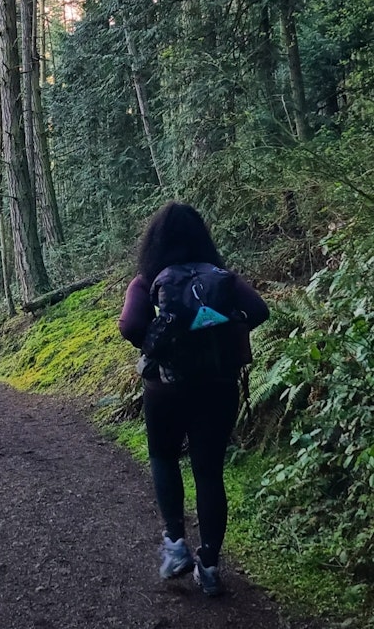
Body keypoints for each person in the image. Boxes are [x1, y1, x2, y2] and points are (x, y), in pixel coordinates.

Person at [118, 201, 269, 596]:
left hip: (165, 389)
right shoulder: (222, 278)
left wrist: (158, 341)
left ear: (155, 241)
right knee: (209, 471)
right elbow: (259, 311)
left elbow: (131, 324)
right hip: (217, 386)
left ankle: (175, 545)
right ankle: (212, 565)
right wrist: (221, 328)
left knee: (163, 457)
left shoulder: (148, 277)